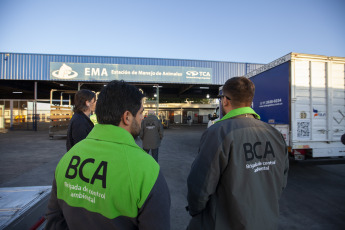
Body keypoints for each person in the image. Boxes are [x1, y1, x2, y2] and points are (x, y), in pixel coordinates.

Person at [45, 80, 171, 230]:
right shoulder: (148, 171)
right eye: (141, 112)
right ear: (127, 117)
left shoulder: (67, 160)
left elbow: (54, 221)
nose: (142, 118)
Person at [186, 76, 289, 230]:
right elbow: (281, 181)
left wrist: (196, 211)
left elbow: (201, 185)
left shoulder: (218, 133)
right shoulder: (275, 135)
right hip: (266, 221)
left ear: (225, 100)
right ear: (250, 101)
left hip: (225, 222)